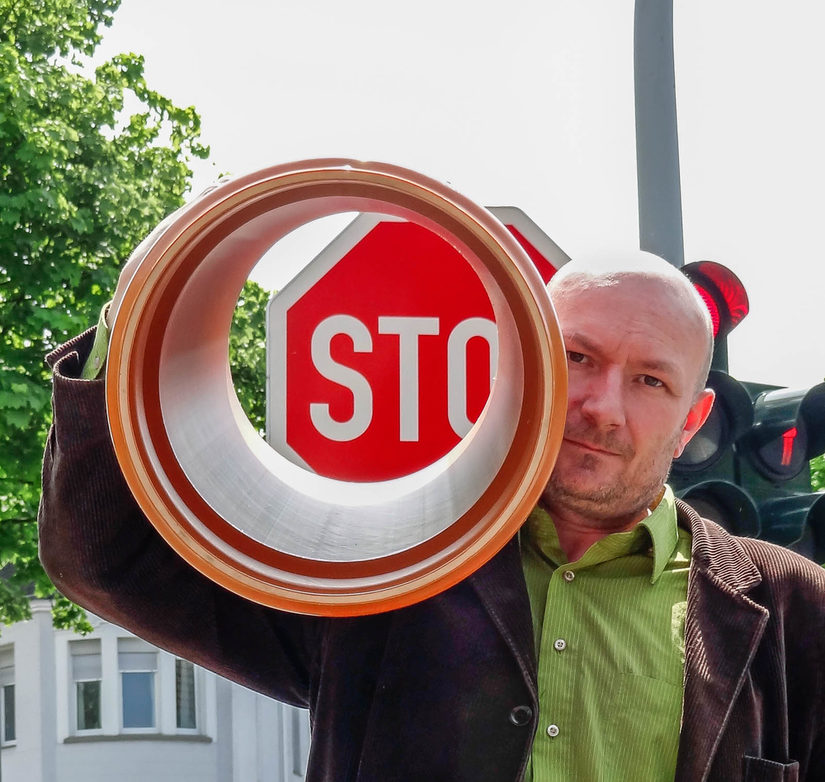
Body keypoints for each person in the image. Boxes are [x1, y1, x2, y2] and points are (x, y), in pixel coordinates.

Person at [38, 249, 825, 782]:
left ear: (693, 418)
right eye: (576, 358)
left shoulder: (792, 608)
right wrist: (135, 318)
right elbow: (113, 560)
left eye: (650, 380)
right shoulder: (394, 561)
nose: (599, 405)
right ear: (517, 362)